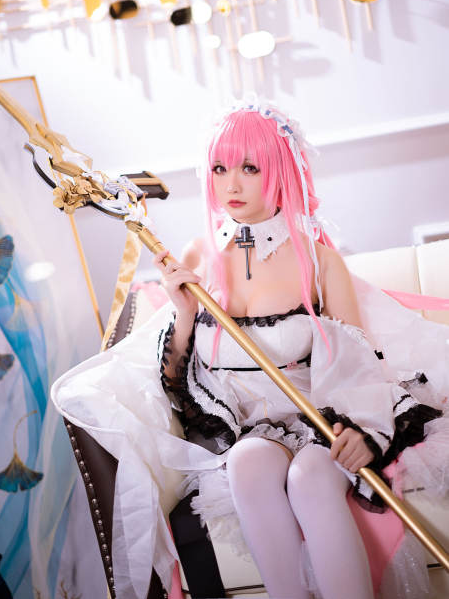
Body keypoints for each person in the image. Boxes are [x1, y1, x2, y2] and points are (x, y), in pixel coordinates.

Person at [51, 102, 449, 599]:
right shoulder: (197, 257)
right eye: (219, 168)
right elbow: (175, 380)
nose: (231, 185)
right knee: (247, 464)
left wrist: (364, 432)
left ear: (278, 170)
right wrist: (184, 311)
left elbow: (358, 361)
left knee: (310, 477)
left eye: (249, 168)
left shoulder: (318, 262)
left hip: (321, 417)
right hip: (247, 427)